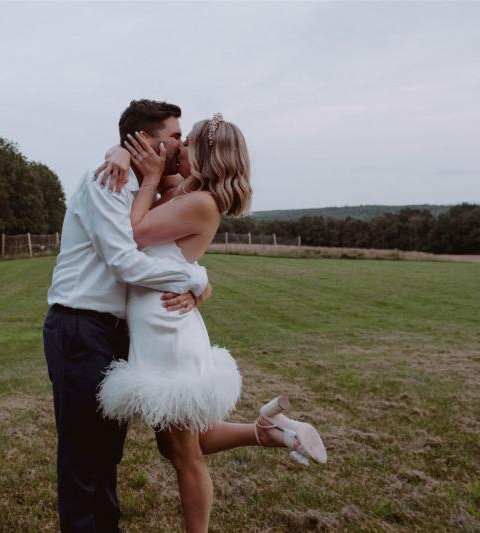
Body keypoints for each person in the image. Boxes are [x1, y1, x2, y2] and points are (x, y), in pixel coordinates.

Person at [95, 112, 327, 533]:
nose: (179, 148)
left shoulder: (202, 203)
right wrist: (119, 151)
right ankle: (268, 431)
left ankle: (263, 441)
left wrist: (148, 181)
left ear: (203, 153)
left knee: (185, 455)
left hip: (167, 329)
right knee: (176, 445)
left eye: (187, 144)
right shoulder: (187, 190)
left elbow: (135, 233)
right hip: (158, 322)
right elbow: (145, 175)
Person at [43, 99, 214, 533]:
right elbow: (125, 263)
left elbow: (198, 190)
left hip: (118, 333)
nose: (181, 145)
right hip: (81, 325)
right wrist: (193, 277)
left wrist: (196, 281)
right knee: (82, 451)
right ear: (143, 141)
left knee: (107, 450)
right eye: (174, 137)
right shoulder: (108, 180)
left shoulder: (148, 188)